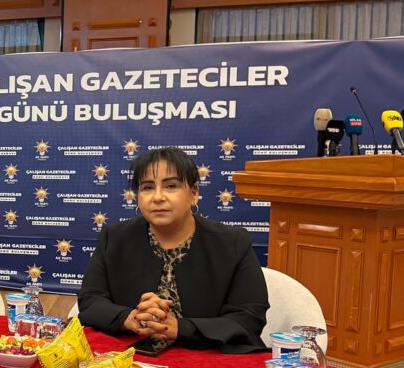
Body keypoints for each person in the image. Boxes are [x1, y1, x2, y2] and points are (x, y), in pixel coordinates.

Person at [76, 147, 268, 353]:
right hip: (132, 358)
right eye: (148, 187)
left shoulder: (232, 243)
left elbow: (249, 317)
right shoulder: (114, 238)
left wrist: (180, 328)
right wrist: (129, 318)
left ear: (194, 194)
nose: (158, 197)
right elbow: (90, 300)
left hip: (206, 358)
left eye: (171, 186)